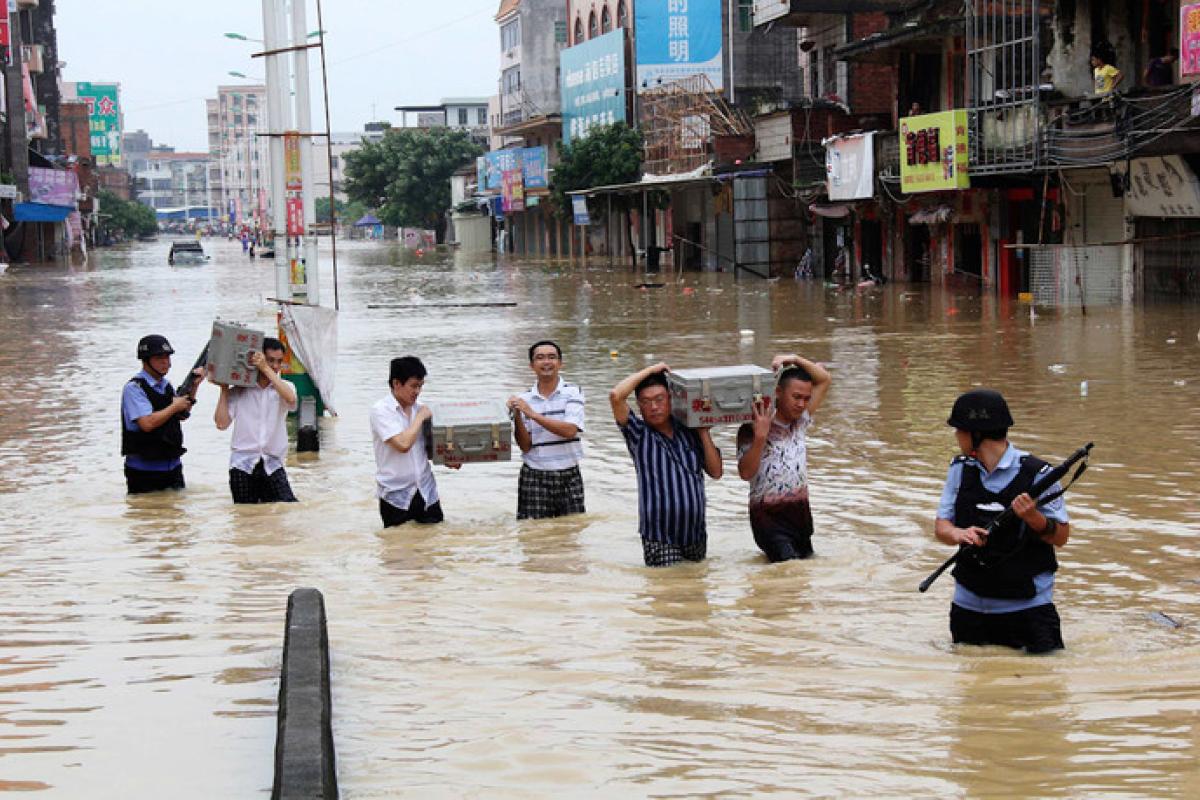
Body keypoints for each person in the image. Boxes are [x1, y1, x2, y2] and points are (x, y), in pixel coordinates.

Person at [933, 389, 1071, 654]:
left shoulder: (1040, 475)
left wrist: (1033, 517)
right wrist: (958, 534)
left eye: (959, 430)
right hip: (968, 608)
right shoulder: (959, 469)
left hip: (1028, 610)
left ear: (975, 434)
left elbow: (1061, 537)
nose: (955, 436)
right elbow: (942, 527)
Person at [610, 363, 722, 567]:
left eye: (659, 399)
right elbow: (616, 395)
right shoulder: (638, 434)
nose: (653, 407)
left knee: (696, 593)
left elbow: (716, 472)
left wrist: (704, 432)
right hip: (659, 537)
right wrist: (651, 370)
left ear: (671, 399)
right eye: (646, 402)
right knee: (667, 594)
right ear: (639, 406)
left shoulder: (690, 429)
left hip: (695, 533)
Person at [737, 354, 832, 562]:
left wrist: (795, 359)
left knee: (801, 579)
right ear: (778, 392)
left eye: (806, 399)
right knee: (789, 570)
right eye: (796, 397)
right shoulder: (751, 426)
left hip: (800, 516)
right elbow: (745, 473)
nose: (801, 404)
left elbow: (824, 379)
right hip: (768, 518)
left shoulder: (801, 421)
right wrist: (761, 436)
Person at [370, 356, 459, 528]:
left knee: (432, 548)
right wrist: (419, 418)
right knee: (399, 551)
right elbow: (403, 444)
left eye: (420, 386)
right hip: (396, 496)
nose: (417, 391)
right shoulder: (381, 411)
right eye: (413, 386)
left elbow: (430, 449)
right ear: (396, 384)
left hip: (426, 491)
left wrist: (448, 460)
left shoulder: (420, 408)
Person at [212, 337, 299, 504]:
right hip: (242, 464)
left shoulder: (284, 388)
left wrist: (266, 369)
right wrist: (224, 389)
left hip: (273, 462)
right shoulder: (239, 391)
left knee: (287, 509)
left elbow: (291, 400)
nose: (275, 366)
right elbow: (221, 424)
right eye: (270, 360)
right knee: (246, 517)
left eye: (279, 362)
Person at [507, 340, 586, 519]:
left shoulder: (573, 392)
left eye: (552, 357)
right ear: (531, 365)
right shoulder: (523, 399)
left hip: (569, 473)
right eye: (540, 358)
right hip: (534, 474)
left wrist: (532, 414)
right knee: (533, 536)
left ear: (560, 363)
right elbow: (525, 446)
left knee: (571, 534)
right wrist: (517, 415)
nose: (546, 362)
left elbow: (570, 430)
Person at [120, 335, 202, 494]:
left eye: (167, 357)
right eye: (159, 357)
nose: (166, 362)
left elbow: (181, 415)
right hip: (144, 471)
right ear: (145, 360)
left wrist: (194, 388)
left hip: (173, 467)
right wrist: (174, 406)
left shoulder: (166, 386)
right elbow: (147, 423)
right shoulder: (134, 388)